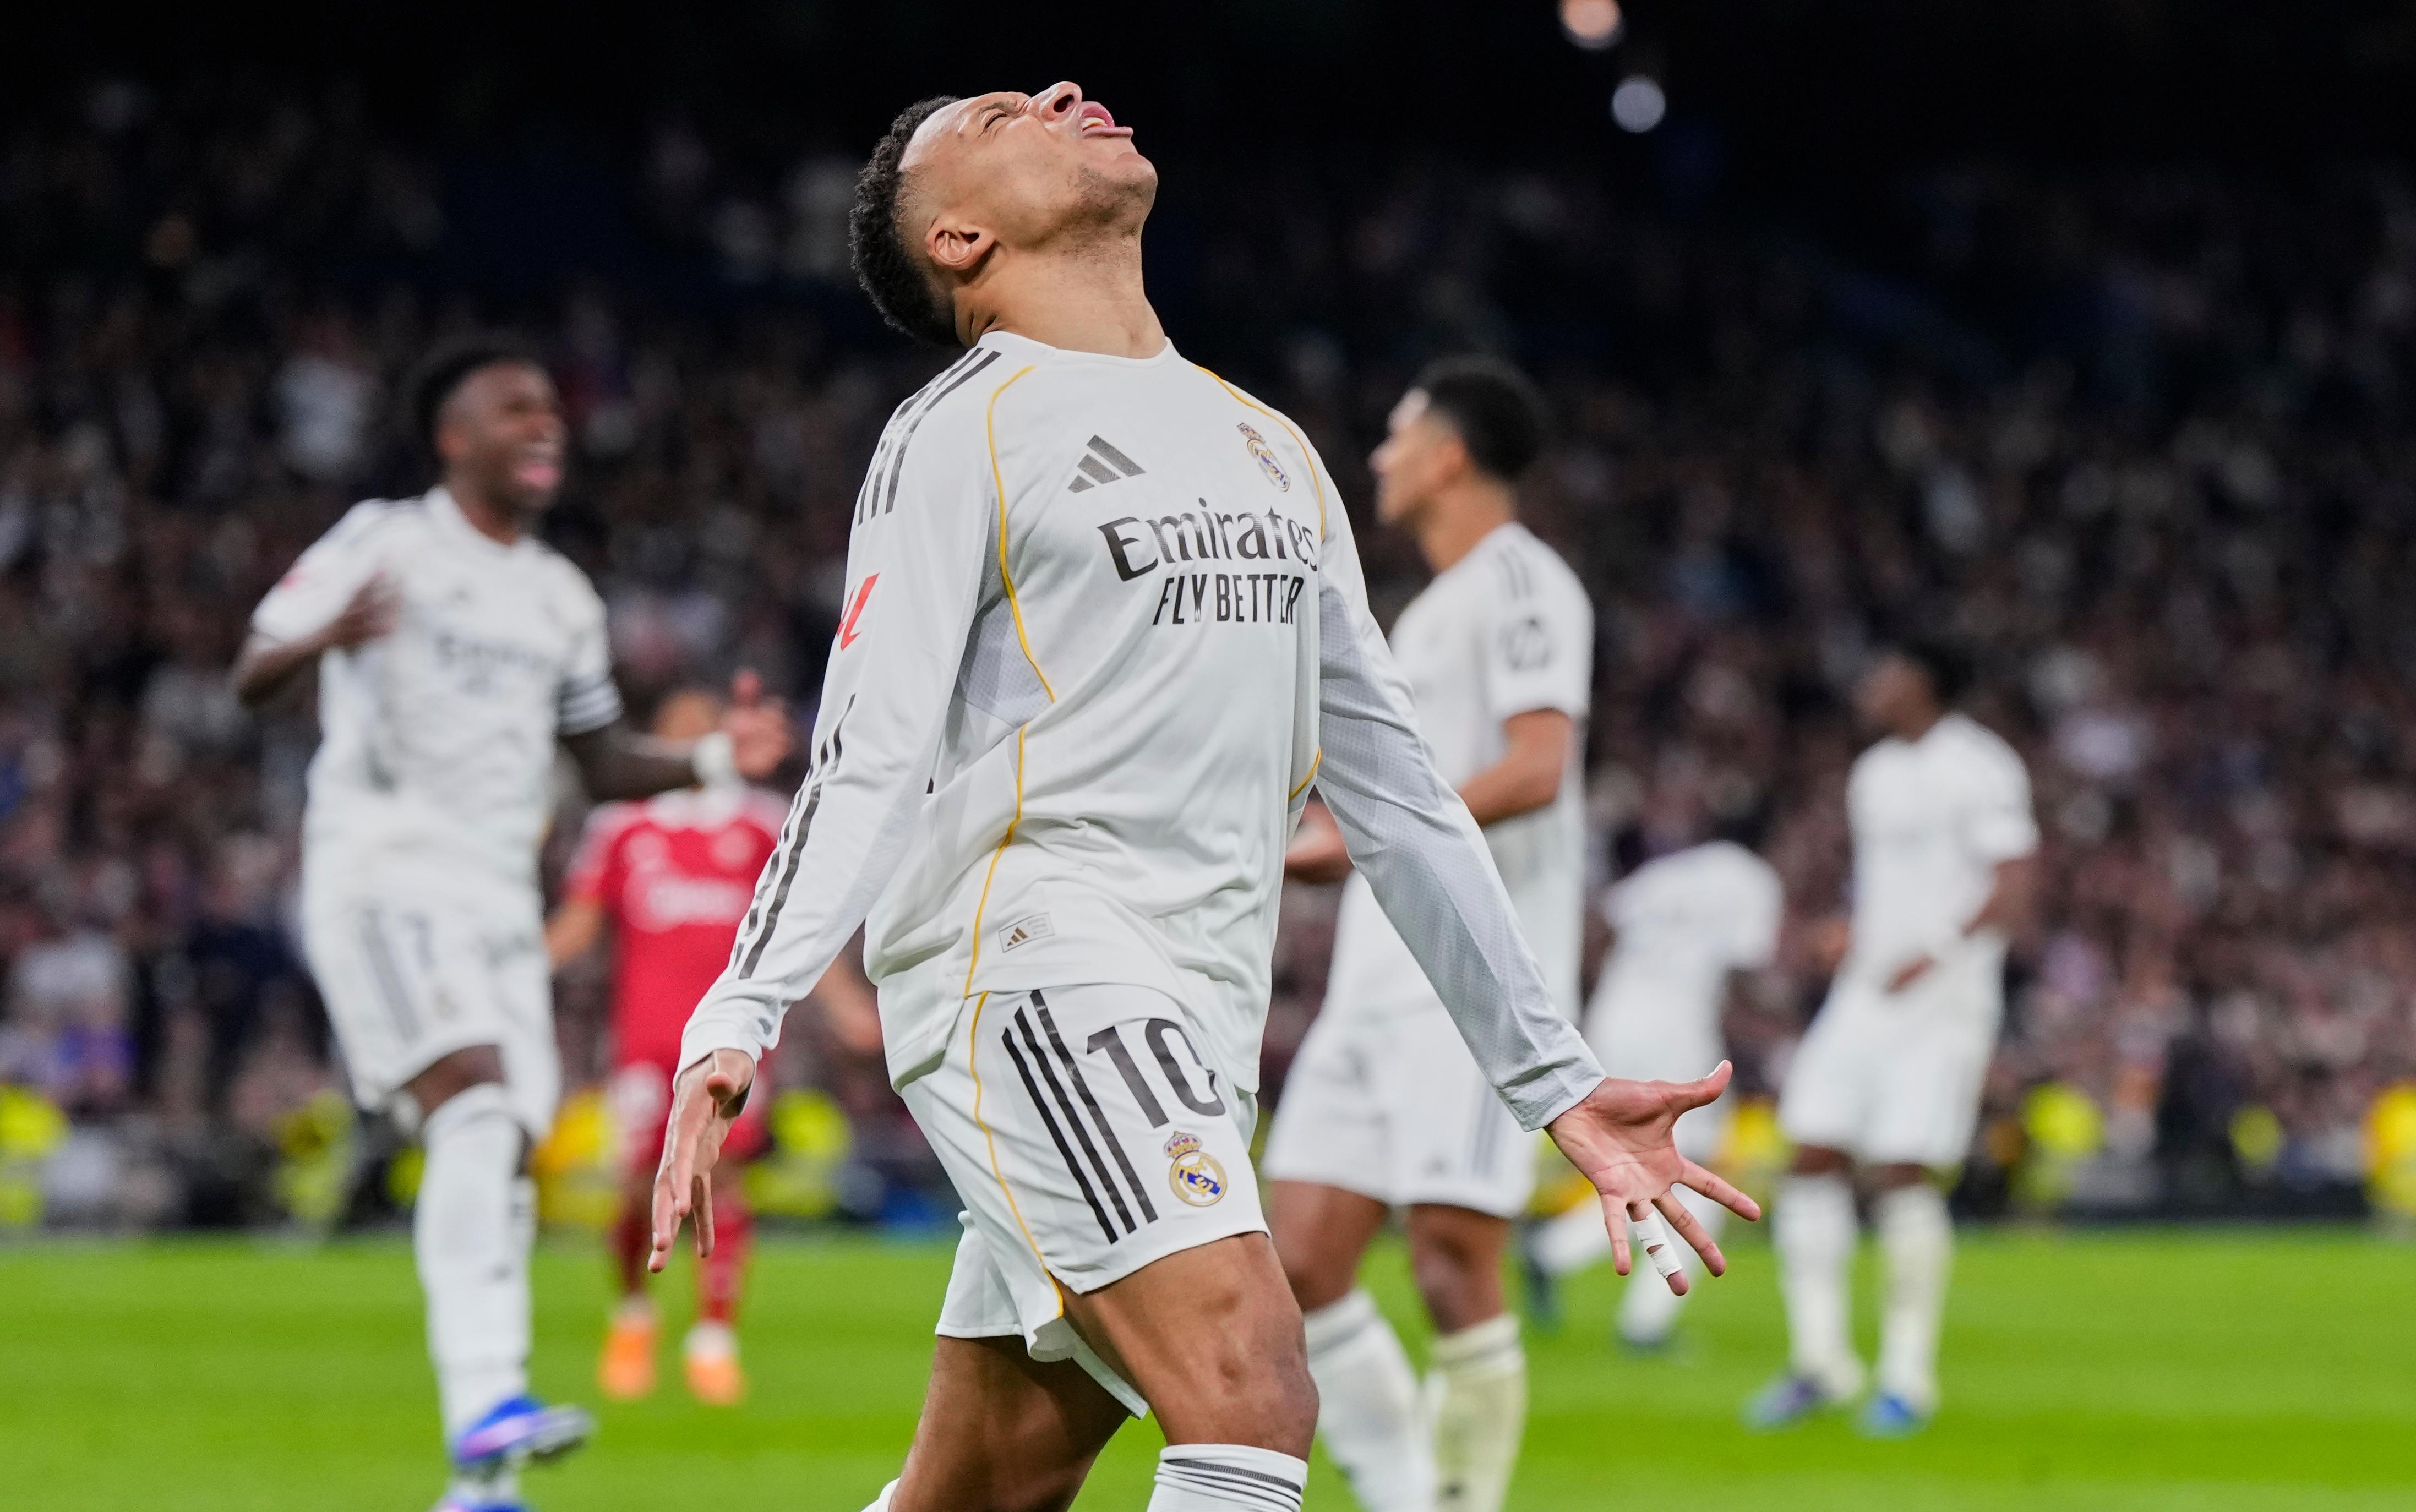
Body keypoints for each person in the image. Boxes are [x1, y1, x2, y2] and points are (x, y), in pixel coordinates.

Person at [650, 80, 1758, 1512]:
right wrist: (741, 1006)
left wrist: (1549, 1075)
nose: (1056, 94)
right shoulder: (959, 432)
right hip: (1029, 969)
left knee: (984, 1480)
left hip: (1190, 1006)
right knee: (1247, 1387)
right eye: (999, 114)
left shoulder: (1264, 442)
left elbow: (1399, 791)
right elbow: (860, 751)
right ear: (960, 238)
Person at [232, 340, 792, 1512]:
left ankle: (479, 1475)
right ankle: (487, 1396)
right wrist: (319, 642)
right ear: (453, 437)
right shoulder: (386, 540)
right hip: (386, 872)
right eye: (512, 408)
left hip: (496, 896)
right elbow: (253, 669)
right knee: (479, 1107)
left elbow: (595, 758)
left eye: (549, 408)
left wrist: (704, 756)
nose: (543, 423)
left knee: (506, 1151)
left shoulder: (558, 597)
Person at [1257, 356, 1591, 1512]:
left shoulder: (1524, 585)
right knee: (1293, 1259)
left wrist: (1356, 837)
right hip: (1369, 973)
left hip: (1465, 977)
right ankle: (1407, 1495)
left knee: (1451, 1257)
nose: (1378, 459)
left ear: (1448, 454)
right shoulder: (1424, 609)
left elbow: (1536, 764)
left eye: (1396, 437)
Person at [547, 686, 880, 1407]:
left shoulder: (760, 823)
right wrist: (513, 974)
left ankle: (712, 1339)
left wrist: (847, 1001)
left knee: (722, 1178)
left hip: (730, 1040)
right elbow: (577, 925)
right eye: (678, 730)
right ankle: (633, 1312)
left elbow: (800, 926)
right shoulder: (623, 825)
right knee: (641, 1178)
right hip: (643, 1042)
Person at [1744, 638, 2037, 1437]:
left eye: (1884, 671)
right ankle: (1820, 1362)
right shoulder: (1871, 772)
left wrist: (1933, 949)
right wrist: (1852, 931)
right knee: (1807, 1151)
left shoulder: (1979, 765)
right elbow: (1889, 886)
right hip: (1863, 994)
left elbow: (2013, 883)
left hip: (1942, 1001)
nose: (1868, 684)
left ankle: (1906, 1376)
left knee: (1900, 1170)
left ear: (1924, 680)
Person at [1522, 805, 1784, 1352]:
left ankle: (1552, 1251)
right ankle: (1645, 1321)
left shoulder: (1668, 872)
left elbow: (1601, 929)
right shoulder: (1752, 879)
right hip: (1675, 1027)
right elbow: (1745, 972)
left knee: (1646, 1167)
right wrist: (1775, 1029)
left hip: (1613, 1018)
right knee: (1698, 1172)